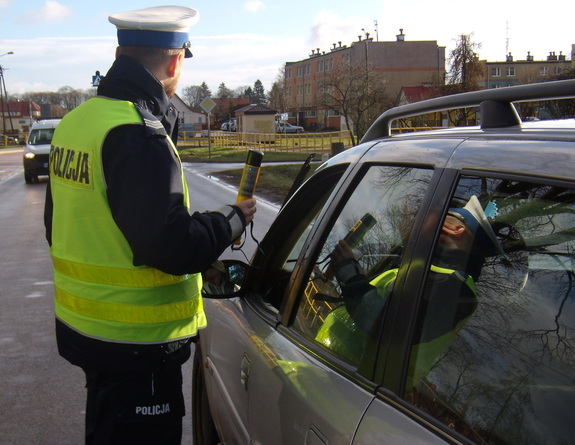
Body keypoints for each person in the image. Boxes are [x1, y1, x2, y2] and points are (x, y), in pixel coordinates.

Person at [43, 6, 256, 444]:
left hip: (90, 333)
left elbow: (56, 225)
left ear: (121, 52)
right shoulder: (137, 131)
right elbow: (172, 246)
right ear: (175, 61)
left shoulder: (75, 123)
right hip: (137, 346)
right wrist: (231, 221)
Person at [316, 196, 503, 369]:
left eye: (444, 215)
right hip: (333, 366)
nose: (423, 219)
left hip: (353, 381)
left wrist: (348, 271)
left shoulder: (454, 287)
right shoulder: (427, 270)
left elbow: (386, 322)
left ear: (456, 229)